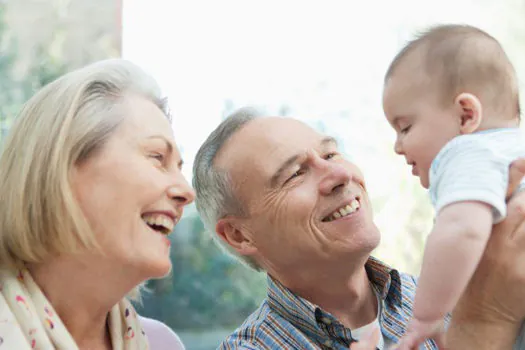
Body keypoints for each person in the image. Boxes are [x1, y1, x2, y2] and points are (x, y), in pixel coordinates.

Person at [192, 107, 525, 349]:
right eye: (295, 173)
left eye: (332, 154)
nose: (339, 175)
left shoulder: (452, 296)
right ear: (239, 235)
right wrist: (487, 324)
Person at [0, 59, 193, 349]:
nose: (186, 192)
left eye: (179, 167)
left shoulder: (163, 344)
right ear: (62, 166)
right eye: (157, 157)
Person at [382, 24, 525, 348]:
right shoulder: (506, 151)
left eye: (405, 127)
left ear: (465, 116)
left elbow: (463, 230)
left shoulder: (467, 151)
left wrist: (425, 317)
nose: (397, 146)